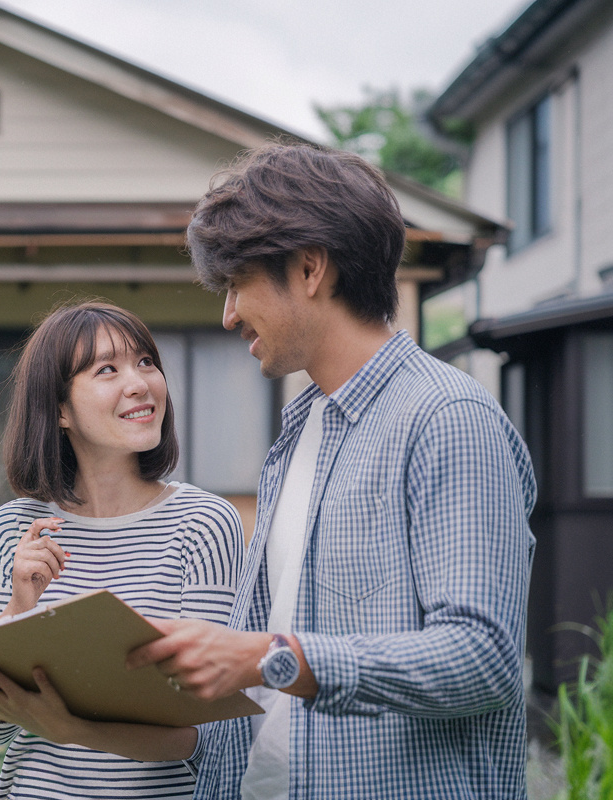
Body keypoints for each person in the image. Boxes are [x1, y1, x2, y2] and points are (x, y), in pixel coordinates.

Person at [125, 143, 537, 799]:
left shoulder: (447, 418)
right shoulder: (299, 432)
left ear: (311, 268)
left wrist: (270, 656)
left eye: (238, 284)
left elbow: (480, 658)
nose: (228, 314)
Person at [0, 300, 244, 799]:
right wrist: (19, 607)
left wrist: (73, 729)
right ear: (59, 409)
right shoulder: (14, 527)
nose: (139, 383)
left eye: (146, 361)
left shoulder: (204, 523)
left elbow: (206, 732)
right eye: (108, 369)